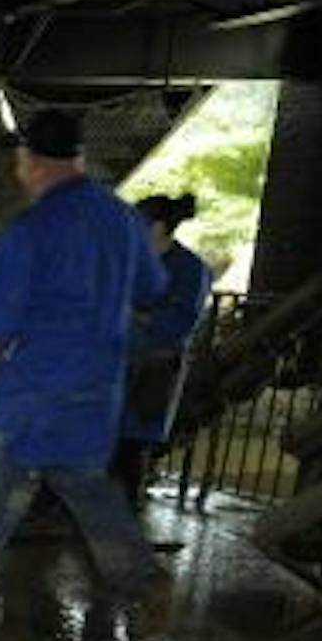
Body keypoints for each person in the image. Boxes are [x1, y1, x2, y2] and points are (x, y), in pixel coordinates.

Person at [0, 110, 169, 624]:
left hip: (28, 391)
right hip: (96, 388)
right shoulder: (123, 219)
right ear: (79, 157)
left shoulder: (29, 230)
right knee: (87, 488)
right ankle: (143, 582)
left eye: (20, 160)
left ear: (30, 162)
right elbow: (152, 289)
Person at [112, 192, 210, 505]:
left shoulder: (190, 269)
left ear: (156, 227)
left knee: (132, 443)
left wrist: (132, 315)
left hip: (153, 370)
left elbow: (177, 324)